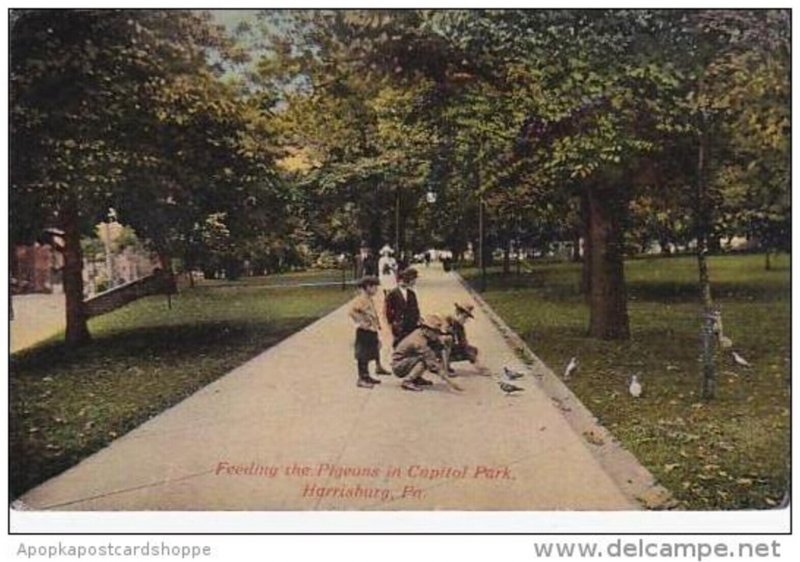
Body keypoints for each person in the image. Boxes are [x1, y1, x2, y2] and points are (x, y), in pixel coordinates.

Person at [349, 276, 391, 389]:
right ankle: (361, 378)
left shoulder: (368, 298)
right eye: (374, 287)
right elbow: (352, 311)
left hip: (371, 330)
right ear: (367, 287)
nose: (376, 290)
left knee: (370, 352)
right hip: (364, 331)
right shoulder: (361, 299)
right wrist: (361, 322)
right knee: (362, 354)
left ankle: (367, 375)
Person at [391, 314, 447, 391]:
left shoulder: (423, 334)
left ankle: (416, 378)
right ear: (426, 330)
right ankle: (408, 381)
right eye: (435, 332)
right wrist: (441, 372)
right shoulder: (419, 340)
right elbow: (429, 357)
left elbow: (438, 349)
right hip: (399, 365)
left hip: (407, 361)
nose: (437, 335)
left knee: (423, 358)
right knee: (424, 360)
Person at [385, 267, 421, 347]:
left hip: (411, 323)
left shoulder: (411, 293)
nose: (414, 282)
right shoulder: (392, 294)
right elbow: (388, 309)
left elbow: (415, 308)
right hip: (399, 323)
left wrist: (418, 318)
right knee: (399, 343)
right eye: (413, 280)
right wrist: (392, 322)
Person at [442, 302, 479, 375]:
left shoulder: (459, 326)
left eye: (467, 318)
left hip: (445, 346)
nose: (465, 320)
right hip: (434, 346)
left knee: (472, 350)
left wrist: (473, 359)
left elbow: (463, 343)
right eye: (464, 317)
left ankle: (444, 363)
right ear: (458, 312)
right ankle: (444, 367)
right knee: (448, 339)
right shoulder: (447, 320)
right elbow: (440, 338)